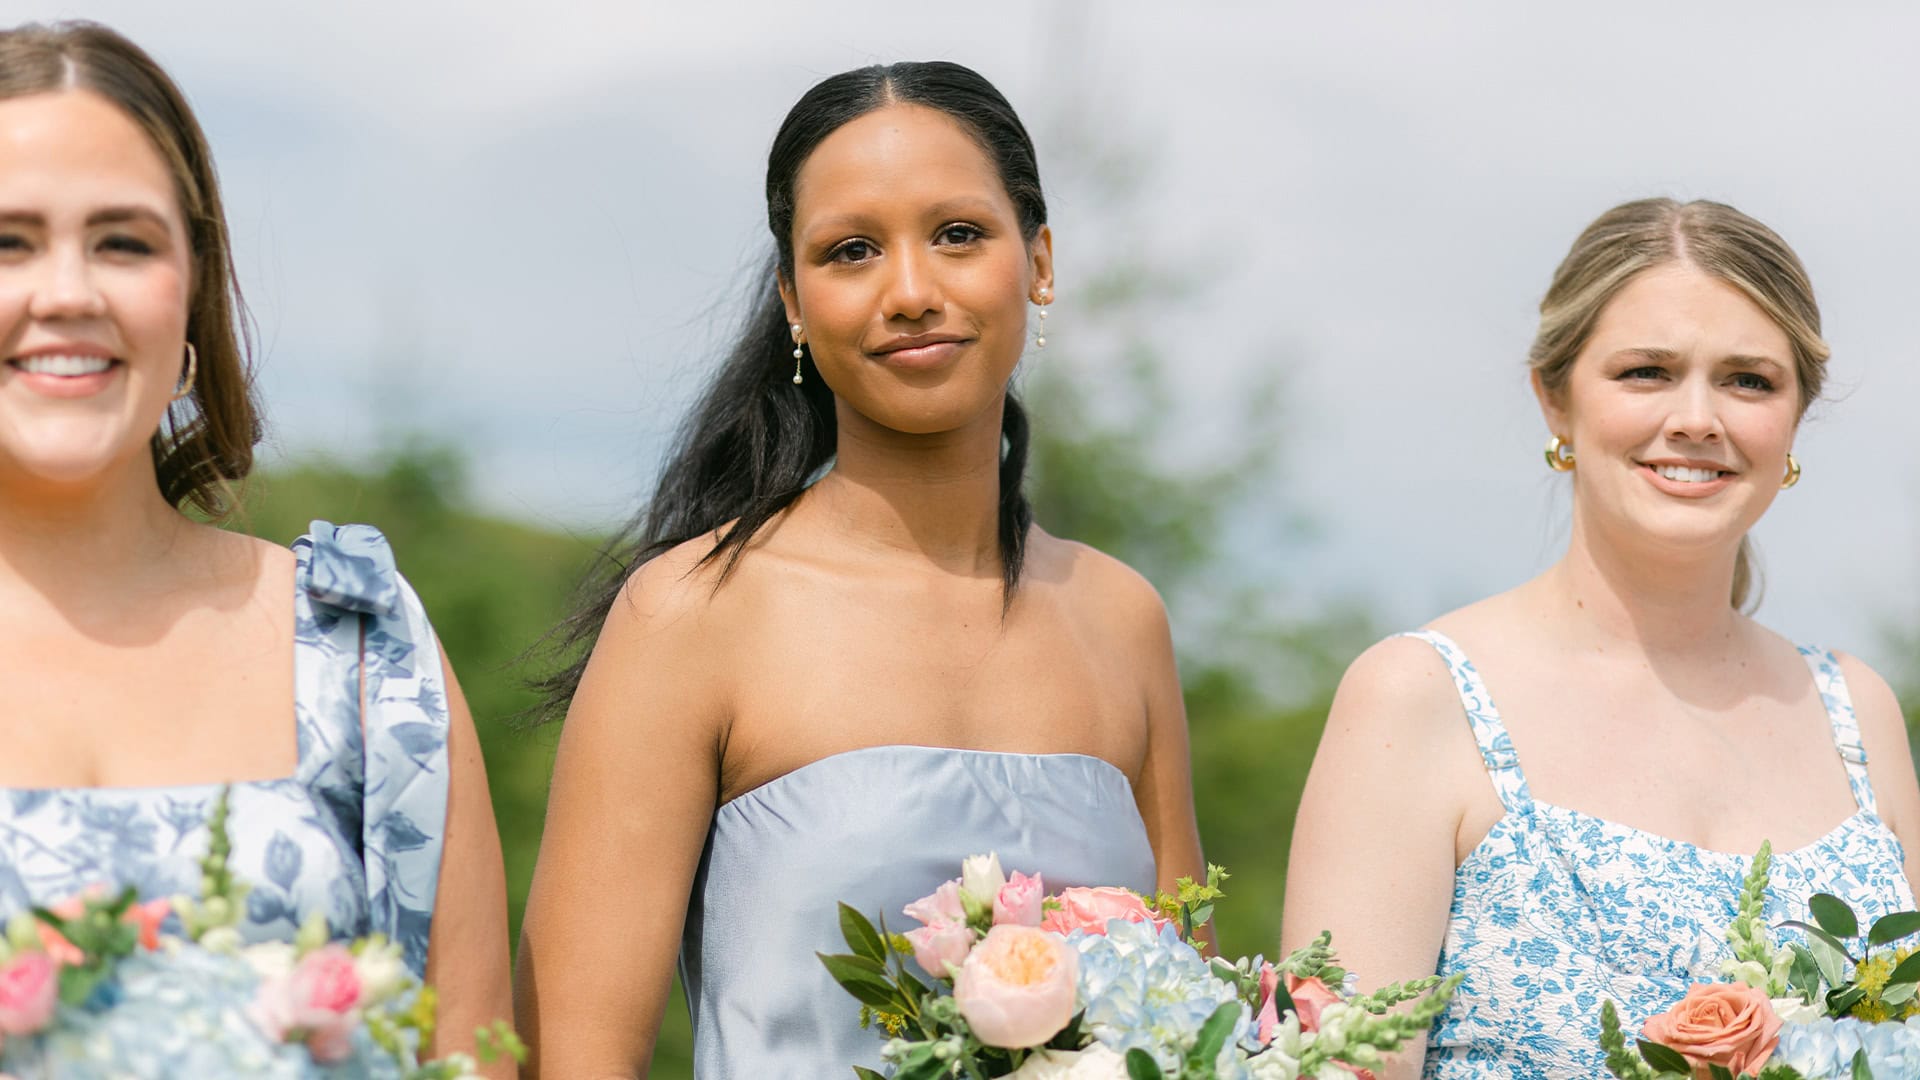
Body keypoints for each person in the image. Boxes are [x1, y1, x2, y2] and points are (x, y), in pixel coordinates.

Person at [514, 60, 1204, 1078]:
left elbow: (1192, 1020)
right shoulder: (694, 612)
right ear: (793, 300)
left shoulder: (1119, 618)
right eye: (851, 252)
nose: (912, 293)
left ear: (1039, 260)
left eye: (958, 234)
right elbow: (574, 1057)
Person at [1282, 197, 1920, 1079]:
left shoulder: (1857, 711)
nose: (1698, 418)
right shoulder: (1418, 697)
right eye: (1647, 372)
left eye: (1748, 381)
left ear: (1795, 420)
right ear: (1555, 398)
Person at [0, 22, 513, 1070]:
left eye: (123, 242)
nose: (67, 293)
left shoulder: (361, 648)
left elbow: (471, 1055)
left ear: (193, 287)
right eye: (7, 242)